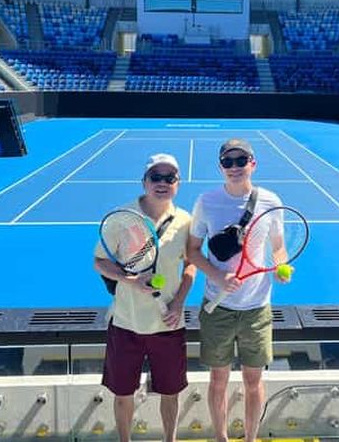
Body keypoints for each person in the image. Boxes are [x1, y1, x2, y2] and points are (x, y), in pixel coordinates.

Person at [187, 138, 288, 442]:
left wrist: (282, 266)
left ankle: (250, 438)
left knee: (253, 380)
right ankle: (221, 438)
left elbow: (278, 247)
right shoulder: (206, 202)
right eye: (228, 162)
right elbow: (192, 252)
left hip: (257, 308)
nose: (234, 167)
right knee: (218, 379)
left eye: (240, 161)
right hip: (217, 309)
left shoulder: (271, 201)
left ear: (252, 164)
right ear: (220, 167)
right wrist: (218, 276)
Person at [93, 153, 195, 442]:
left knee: (171, 393)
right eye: (156, 177)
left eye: (169, 178)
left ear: (178, 183)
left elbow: (190, 264)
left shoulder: (186, 221)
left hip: (168, 324)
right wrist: (132, 281)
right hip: (126, 323)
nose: (162, 183)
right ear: (144, 181)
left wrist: (178, 303)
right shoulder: (123, 218)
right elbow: (100, 262)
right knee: (123, 393)